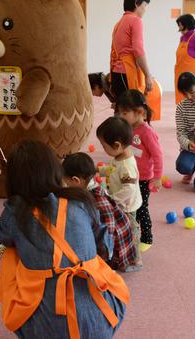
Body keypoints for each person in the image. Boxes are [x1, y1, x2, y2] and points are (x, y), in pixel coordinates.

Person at [0, 140, 128, 338]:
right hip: (102, 319)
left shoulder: (15, 211)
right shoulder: (81, 200)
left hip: (42, 328)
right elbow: (105, 247)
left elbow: (1, 237)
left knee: (11, 254)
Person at [62, 153, 136, 272]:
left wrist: (107, 255)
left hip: (116, 237)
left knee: (106, 267)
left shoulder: (98, 199)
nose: (66, 185)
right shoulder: (88, 188)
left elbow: (109, 229)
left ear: (76, 180)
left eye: (67, 182)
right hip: (108, 230)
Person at [116, 90, 163, 252]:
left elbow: (157, 155)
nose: (121, 116)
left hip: (143, 178)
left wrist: (157, 177)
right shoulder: (127, 127)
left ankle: (147, 237)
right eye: (119, 112)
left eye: (125, 113)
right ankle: (130, 233)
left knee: (141, 208)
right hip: (130, 174)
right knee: (129, 206)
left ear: (140, 112)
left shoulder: (147, 132)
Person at [96, 116, 142, 272]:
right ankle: (121, 253)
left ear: (116, 145)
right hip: (120, 202)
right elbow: (111, 169)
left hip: (127, 205)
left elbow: (129, 189)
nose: (103, 149)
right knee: (121, 230)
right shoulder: (120, 156)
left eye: (104, 146)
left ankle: (135, 260)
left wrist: (111, 199)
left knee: (131, 231)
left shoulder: (126, 165)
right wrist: (99, 170)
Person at [109, 0, 154, 104]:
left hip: (116, 72)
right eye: (144, 6)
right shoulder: (136, 20)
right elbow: (138, 50)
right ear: (136, 3)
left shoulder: (119, 22)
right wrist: (148, 75)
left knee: (121, 111)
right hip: (126, 71)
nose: (145, 10)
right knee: (131, 111)